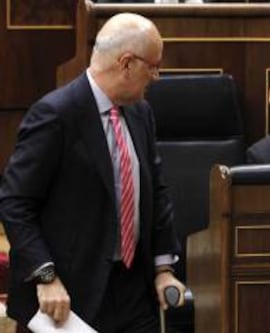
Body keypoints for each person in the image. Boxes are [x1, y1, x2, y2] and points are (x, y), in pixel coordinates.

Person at [0, 12, 186, 333]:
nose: (157, 76)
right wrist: (46, 276)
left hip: (132, 289)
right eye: (152, 66)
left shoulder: (141, 113)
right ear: (126, 63)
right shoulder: (56, 114)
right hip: (67, 294)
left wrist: (163, 268)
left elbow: (156, 191)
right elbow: (15, 203)